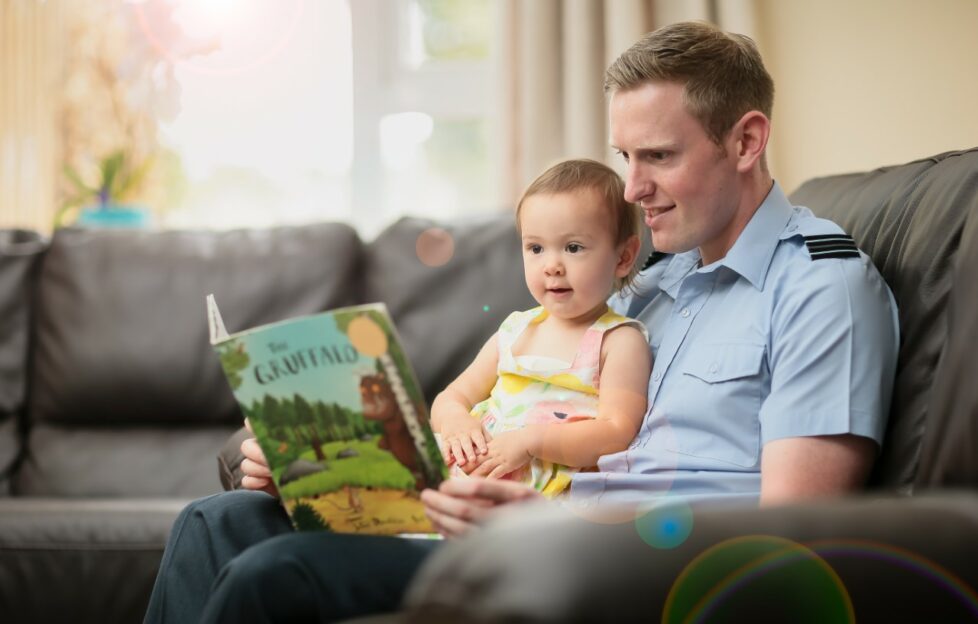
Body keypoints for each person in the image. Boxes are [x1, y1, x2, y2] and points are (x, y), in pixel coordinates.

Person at [144, 20, 899, 623]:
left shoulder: (820, 290)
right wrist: (322, 464)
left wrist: (546, 522)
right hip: (519, 521)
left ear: (746, 140)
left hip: (607, 565)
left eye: (659, 157)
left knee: (278, 574)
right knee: (217, 521)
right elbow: (498, 408)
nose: (633, 188)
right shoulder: (650, 285)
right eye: (623, 156)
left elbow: (795, 539)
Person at [432, 159, 651, 497]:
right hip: (470, 471)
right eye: (535, 248)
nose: (551, 266)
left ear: (623, 258)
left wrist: (532, 441)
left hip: (534, 498)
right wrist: (455, 421)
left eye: (573, 247)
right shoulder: (515, 331)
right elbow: (451, 397)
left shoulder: (618, 341)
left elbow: (617, 432)